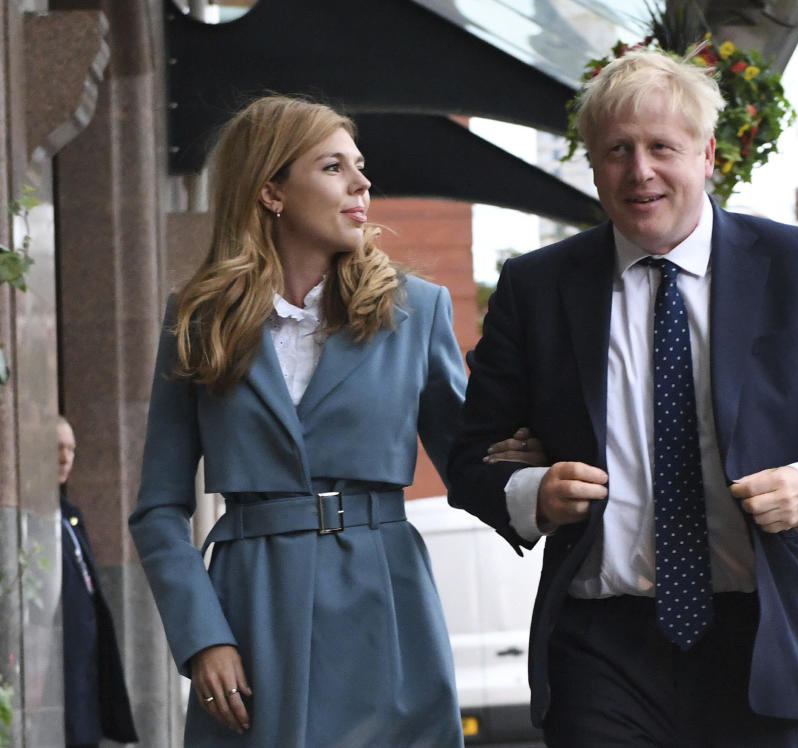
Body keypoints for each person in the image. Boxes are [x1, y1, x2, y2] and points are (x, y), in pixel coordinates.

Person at [448, 48, 798, 747]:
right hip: (598, 645)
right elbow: (471, 460)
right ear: (592, 165)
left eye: (660, 147)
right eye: (616, 150)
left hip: (758, 639)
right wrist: (533, 492)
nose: (639, 171)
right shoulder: (536, 287)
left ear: (706, 155)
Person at [128, 95, 540, 747]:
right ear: (271, 192)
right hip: (250, 605)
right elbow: (158, 508)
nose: (362, 183)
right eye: (332, 167)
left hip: (386, 598)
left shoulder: (417, 310)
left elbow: (474, 460)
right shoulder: (198, 317)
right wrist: (202, 637)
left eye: (360, 166)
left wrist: (542, 469)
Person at [58, 415, 138, 748]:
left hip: (85, 673)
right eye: (56, 448)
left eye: (71, 450)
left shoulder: (71, 516)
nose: (65, 458)